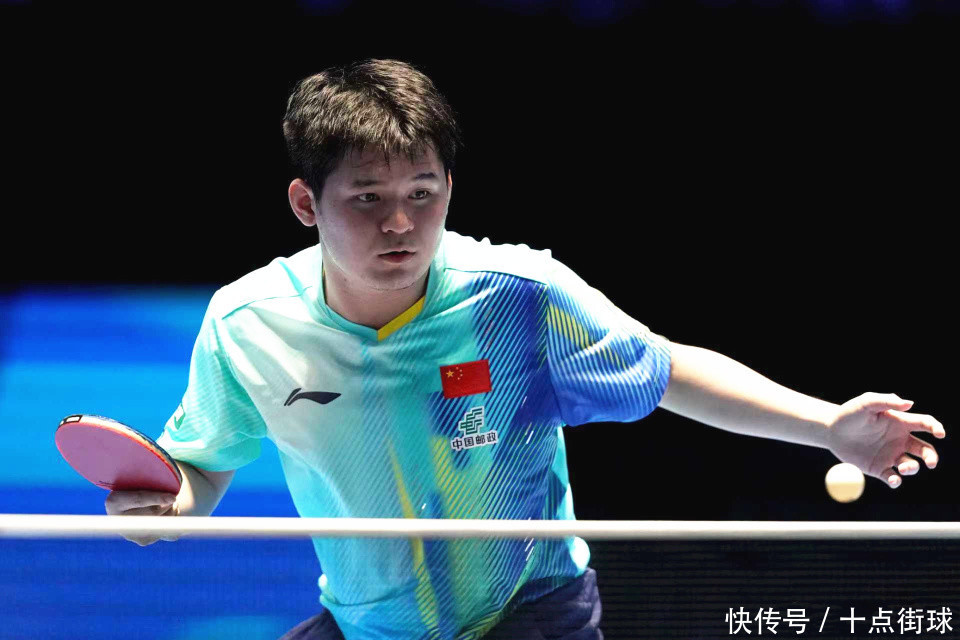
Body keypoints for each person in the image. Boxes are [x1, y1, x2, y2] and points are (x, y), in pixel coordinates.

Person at [104, 58, 945, 640]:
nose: (400, 223)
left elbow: (668, 370)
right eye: (366, 199)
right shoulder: (247, 322)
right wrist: (168, 513)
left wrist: (826, 427)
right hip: (369, 624)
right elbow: (200, 466)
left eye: (422, 193)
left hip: (527, 612)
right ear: (304, 203)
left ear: (449, 187)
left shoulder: (517, 294)